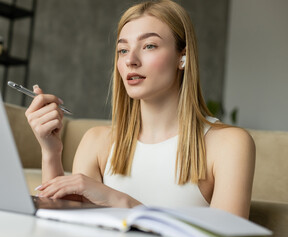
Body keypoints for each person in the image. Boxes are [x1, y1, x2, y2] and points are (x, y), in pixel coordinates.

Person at [25, 0, 255, 219]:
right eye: (123, 50)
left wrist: (122, 202)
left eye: (149, 46)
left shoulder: (229, 144)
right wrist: (51, 153)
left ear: (182, 57)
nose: (130, 60)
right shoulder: (95, 142)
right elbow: (64, 231)